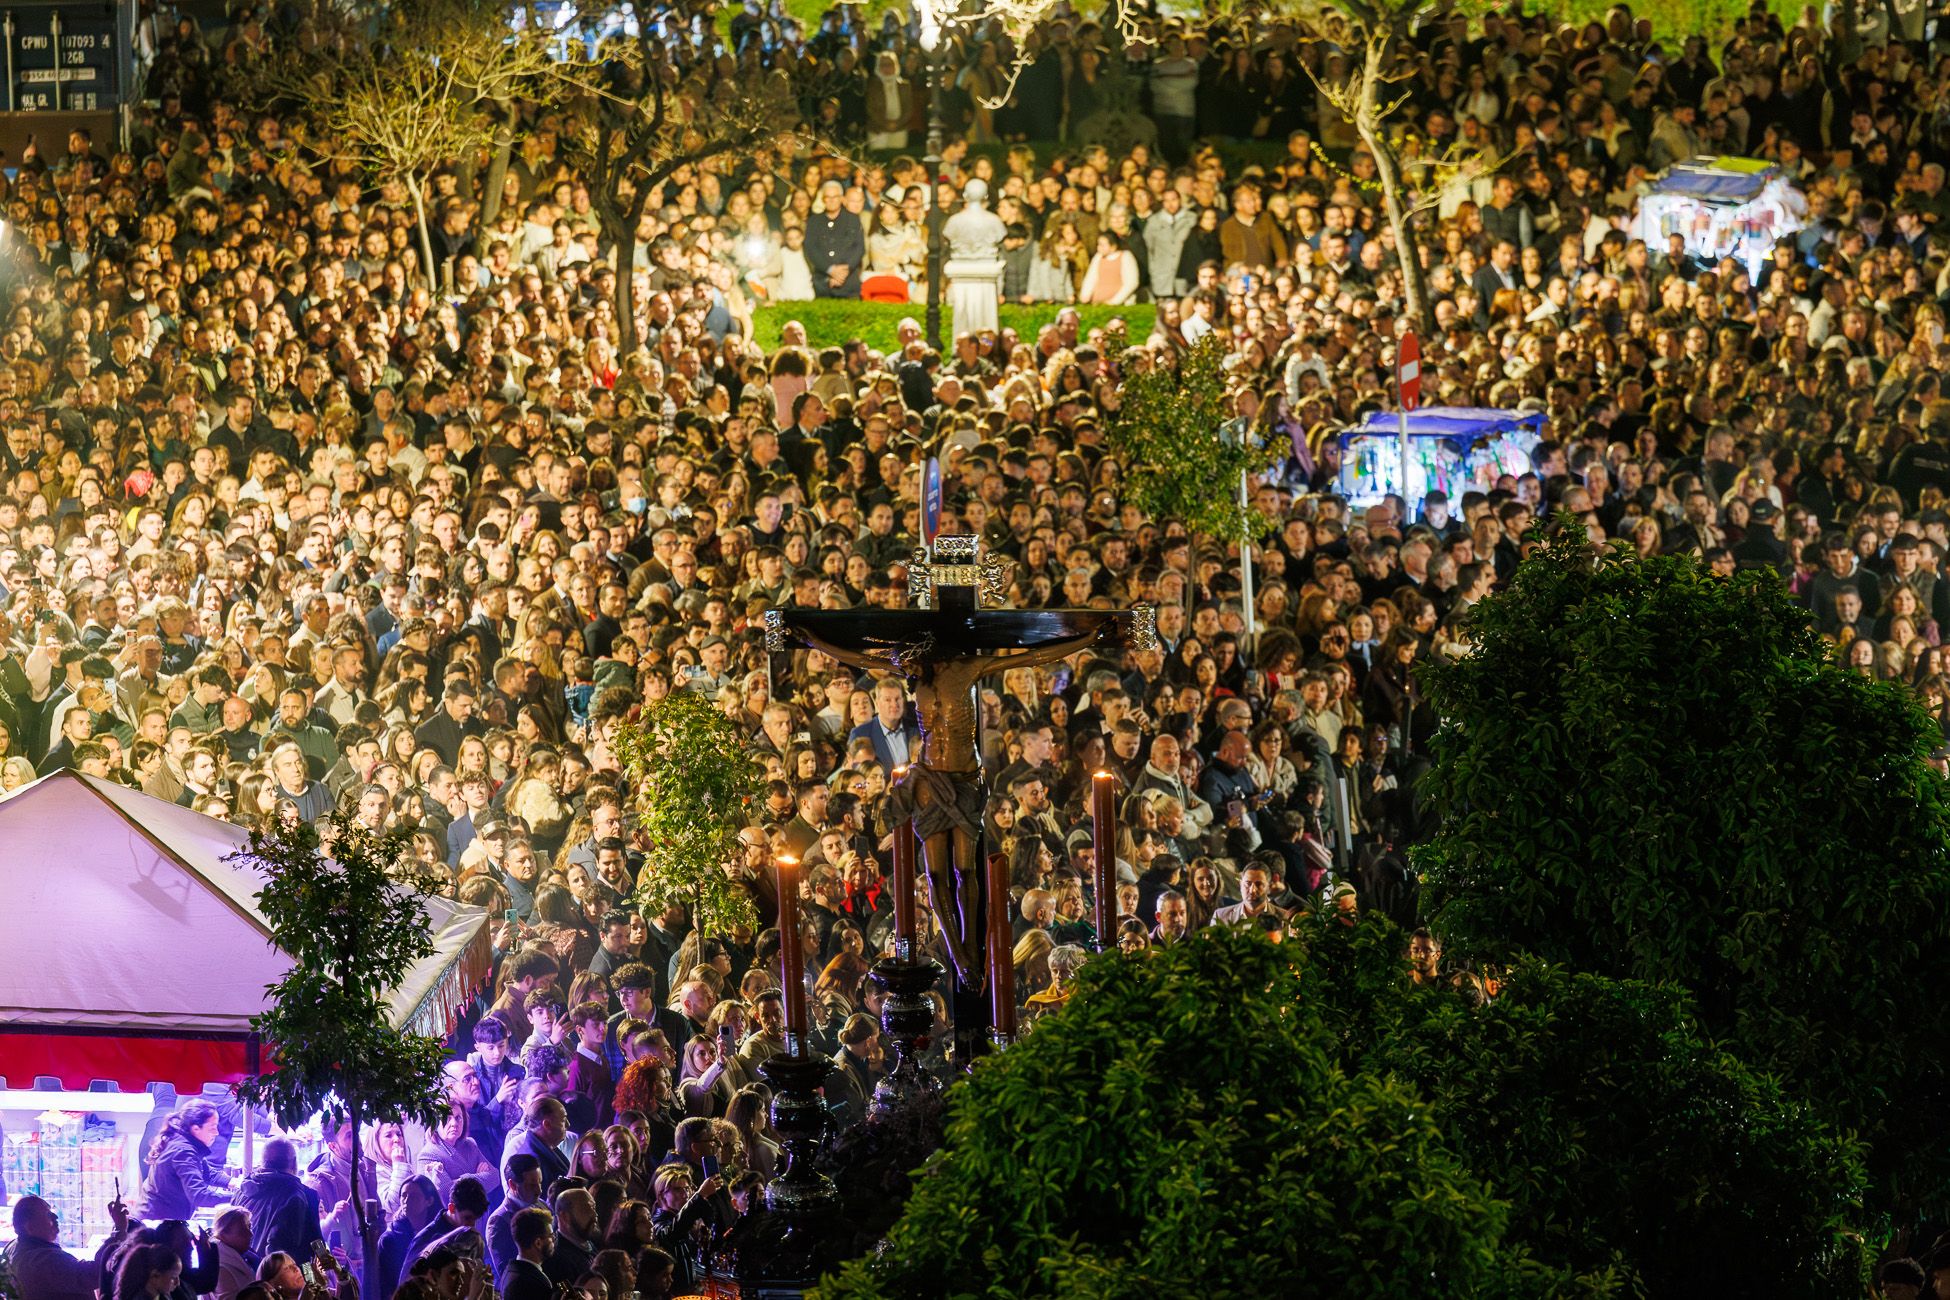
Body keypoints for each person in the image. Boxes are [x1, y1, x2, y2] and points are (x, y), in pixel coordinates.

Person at [13, 1194, 129, 1300]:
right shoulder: (42, 1260)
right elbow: (94, 1273)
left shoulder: (19, 1249)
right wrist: (119, 1230)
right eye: (48, 1214)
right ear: (30, 1227)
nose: (55, 1217)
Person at [236, 1140, 326, 1261]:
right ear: (294, 1163)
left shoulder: (242, 1191)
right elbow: (316, 1241)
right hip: (286, 1268)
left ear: (262, 1162)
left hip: (244, 1267)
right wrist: (330, 1264)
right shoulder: (303, 1195)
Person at [142, 1101, 232, 1220]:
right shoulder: (183, 1152)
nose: (216, 1133)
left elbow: (207, 1173)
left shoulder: (185, 1140)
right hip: (157, 1221)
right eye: (212, 1128)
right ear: (196, 1129)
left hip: (165, 1217)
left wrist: (234, 1182)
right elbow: (199, 1196)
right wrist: (235, 1198)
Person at [500, 1208, 556, 1300]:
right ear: (538, 1243)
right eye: (551, 1236)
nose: (554, 1239)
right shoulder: (530, 1283)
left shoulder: (511, 1271)